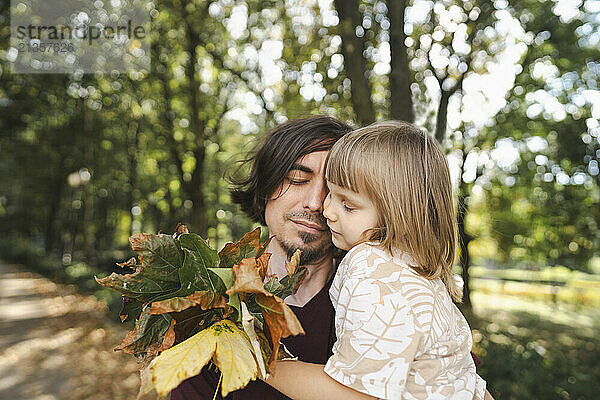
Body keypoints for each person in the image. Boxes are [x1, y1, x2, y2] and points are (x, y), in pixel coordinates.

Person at [264, 121, 491, 399]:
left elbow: (356, 395)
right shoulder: (412, 269)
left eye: (346, 203)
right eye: (298, 179)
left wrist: (255, 359)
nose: (323, 207)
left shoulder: (374, 273)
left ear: (396, 211)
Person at [170, 115, 353, 400]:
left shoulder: (370, 302)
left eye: (335, 189)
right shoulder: (207, 300)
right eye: (298, 179)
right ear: (267, 185)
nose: (316, 203)